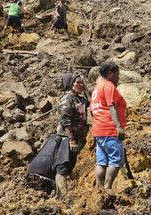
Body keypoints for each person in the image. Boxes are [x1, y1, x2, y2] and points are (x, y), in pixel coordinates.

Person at [27, 73, 90, 199]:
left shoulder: (80, 99)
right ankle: (62, 197)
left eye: (81, 82)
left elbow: (91, 101)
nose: (80, 85)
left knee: (70, 166)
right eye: (77, 82)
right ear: (70, 85)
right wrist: (71, 139)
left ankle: (63, 195)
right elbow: (65, 122)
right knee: (63, 167)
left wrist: (86, 88)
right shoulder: (67, 99)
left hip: (79, 137)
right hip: (67, 139)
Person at [90, 62, 127, 193]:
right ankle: (107, 188)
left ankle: (99, 190)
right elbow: (111, 106)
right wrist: (118, 127)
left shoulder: (96, 89)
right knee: (115, 160)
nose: (118, 77)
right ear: (110, 74)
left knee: (101, 162)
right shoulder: (109, 86)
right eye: (117, 74)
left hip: (98, 130)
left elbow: (92, 111)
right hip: (109, 129)